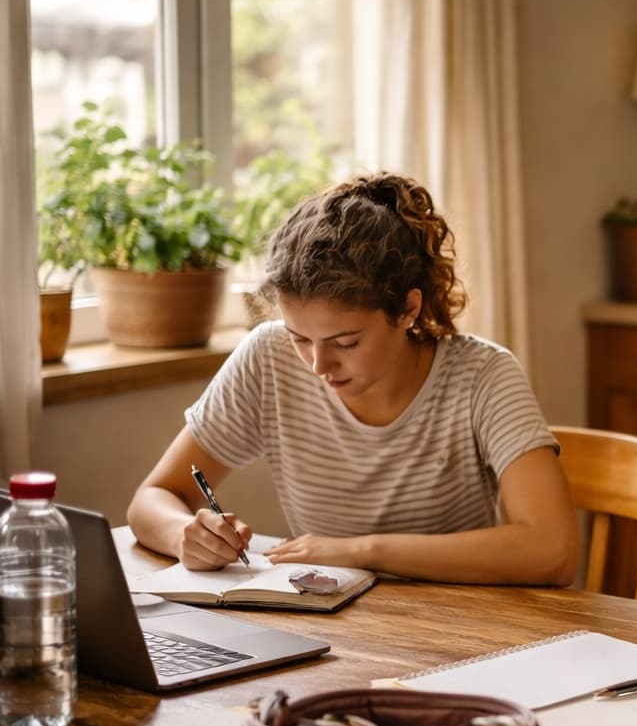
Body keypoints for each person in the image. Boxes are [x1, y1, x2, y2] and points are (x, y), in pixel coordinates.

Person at [127, 171, 580, 587]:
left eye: (345, 343)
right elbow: (153, 497)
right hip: (332, 632)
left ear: (408, 310)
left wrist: (363, 551)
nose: (318, 365)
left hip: (457, 633)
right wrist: (185, 534)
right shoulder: (269, 357)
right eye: (300, 337)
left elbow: (553, 550)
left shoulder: (483, 377)